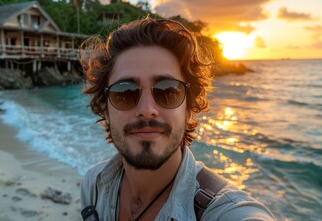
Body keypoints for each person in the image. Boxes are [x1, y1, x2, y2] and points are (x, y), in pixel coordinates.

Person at [79, 18, 275, 220]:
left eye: (168, 90)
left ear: (189, 108)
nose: (147, 110)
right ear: (105, 108)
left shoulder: (225, 211)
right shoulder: (94, 185)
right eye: (125, 92)